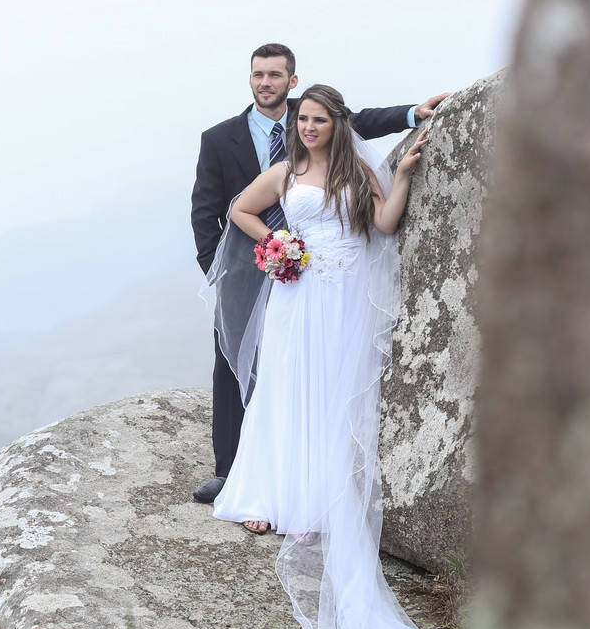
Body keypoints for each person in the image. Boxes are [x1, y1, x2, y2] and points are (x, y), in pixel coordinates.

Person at [204, 84, 469, 629]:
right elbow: (241, 208)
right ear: (295, 124)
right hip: (299, 296)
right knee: (290, 394)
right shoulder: (286, 171)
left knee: (335, 398)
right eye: (305, 120)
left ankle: (323, 499)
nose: (313, 128)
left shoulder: (358, 169)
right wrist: (274, 245)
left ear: (337, 122)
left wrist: (403, 171)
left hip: (347, 294)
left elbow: (382, 225)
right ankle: (279, 497)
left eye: (321, 120)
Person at [190, 43, 448, 503]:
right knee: (237, 364)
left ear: (291, 81)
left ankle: (315, 479)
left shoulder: (309, 119)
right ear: (249, 79)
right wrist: (228, 269)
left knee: (311, 372)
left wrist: (412, 113)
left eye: (274, 75)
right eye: (257, 74)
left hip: (329, 274)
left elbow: (358, 121)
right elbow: (210, 210)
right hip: (259, 267)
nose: (264, 82)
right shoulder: (219, 138)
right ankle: (232, 471)